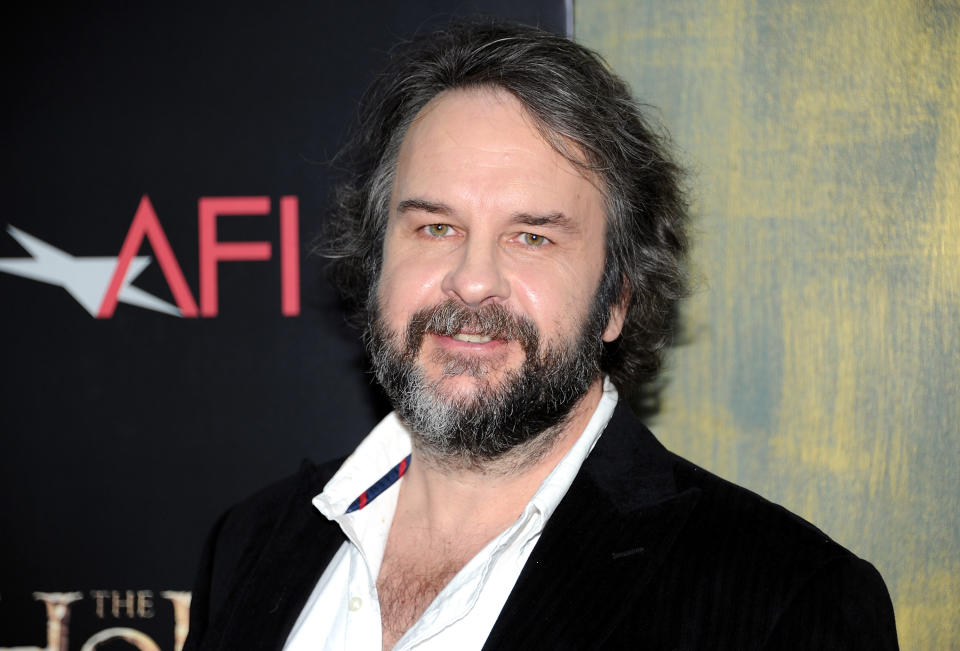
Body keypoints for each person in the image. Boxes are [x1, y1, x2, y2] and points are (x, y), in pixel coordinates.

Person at [184, 19, 898, 651]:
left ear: (617, 296)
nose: (471, 280)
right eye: (436, 227)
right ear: (376, 265)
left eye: (531, 236)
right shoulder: (253, 541)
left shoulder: (784, 598)